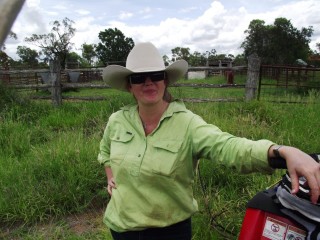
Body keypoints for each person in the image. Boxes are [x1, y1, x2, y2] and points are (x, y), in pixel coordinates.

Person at [98, 42, 320, 240]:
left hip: (168, 231)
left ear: (165, 81)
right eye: (138, 78)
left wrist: (280, 151)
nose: (148, 82)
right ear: (129, 85)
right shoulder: (117, 120)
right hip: (121, 228)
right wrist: (110, 175)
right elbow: (105, 150)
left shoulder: (188, 124)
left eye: (155, 75)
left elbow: (227, 146)